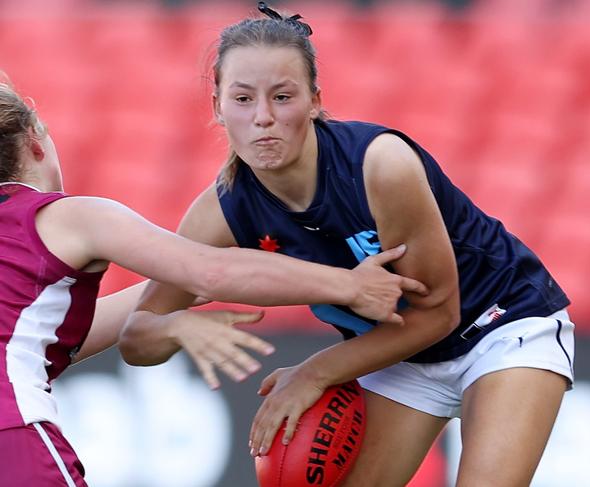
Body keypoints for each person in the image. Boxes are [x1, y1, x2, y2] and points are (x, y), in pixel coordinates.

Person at [121, 3, 575, 486]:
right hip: (399, 354)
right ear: (217, 107)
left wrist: (315, 372)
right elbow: (136, 338)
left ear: (315, 100)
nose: (263, 118)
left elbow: (438, 313)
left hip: (499, 322)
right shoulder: (222, 210)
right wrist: (179, 328)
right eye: (242, 99)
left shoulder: (380, 165)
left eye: (282, 96)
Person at [0, 76, 425, 487]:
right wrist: (349, 285)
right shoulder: (64, 216)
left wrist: (186, 294)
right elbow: (209, 269)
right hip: (12, 436)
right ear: (37, 141)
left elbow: (40, 338)